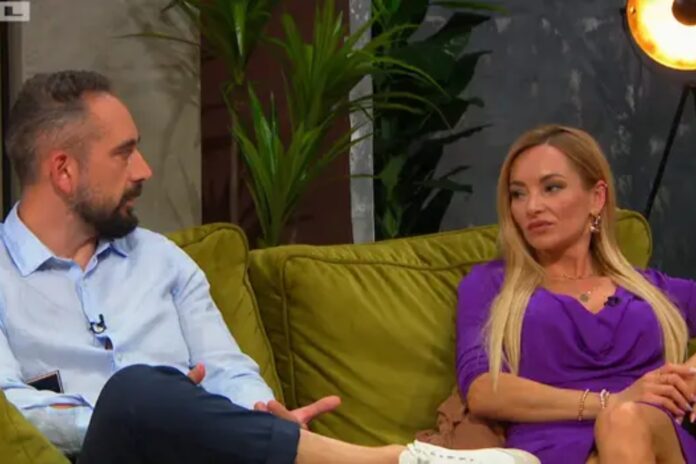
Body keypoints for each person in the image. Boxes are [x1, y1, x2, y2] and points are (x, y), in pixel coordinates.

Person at [0, 69, 540, 464]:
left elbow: (228, 367)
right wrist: (171, 414)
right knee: (137, 392)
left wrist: (252, 411)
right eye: (124, 153)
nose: (144, 169)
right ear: (63, 171)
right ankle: (386, 460)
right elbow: (12, 408)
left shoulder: (162, 261)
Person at [456, 124, 696, 463]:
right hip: (553, 450)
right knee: (620, 416)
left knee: (625, 421)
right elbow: (483, 391)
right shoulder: (492, 285)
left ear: (596, 198)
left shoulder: (650, 289)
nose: (532, 206)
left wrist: (691, 378)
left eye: (551, 188)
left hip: (656, 438)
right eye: (518, 194)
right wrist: (610, 401)